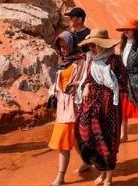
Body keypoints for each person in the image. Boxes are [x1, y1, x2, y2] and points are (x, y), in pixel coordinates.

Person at [74, 29, 126, 186]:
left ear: (103, 45)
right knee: (88, 133)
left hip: (109, 104)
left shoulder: (115, 61)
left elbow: (123, 83)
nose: (92, 48)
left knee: (108, 138)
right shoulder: (92, 60)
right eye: (90, 46)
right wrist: (86, 86)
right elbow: (88, 78)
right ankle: (101, 171)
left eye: (94, 45)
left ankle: (108, 177)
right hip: (93, 103)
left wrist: (111, 82)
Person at [47, 31, 87, 186]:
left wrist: (77, 86)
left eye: (65, 46)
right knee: (75, 137)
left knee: (63, 139)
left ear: (71, 45)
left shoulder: (81, 61)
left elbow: (86, 80)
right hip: (62, 106)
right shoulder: (62, 61)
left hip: (74, 106)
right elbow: (58, 81)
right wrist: (52, 94)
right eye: (60, 46)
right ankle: (86, 161)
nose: (62, 49)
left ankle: (60, 176)